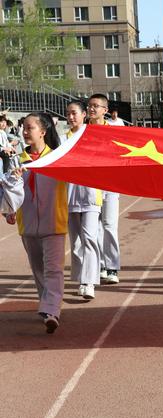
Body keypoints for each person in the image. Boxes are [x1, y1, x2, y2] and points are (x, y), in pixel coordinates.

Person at [12, 113, 67, 333]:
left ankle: (52, 310)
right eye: (24, 128)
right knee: (39, 270)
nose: (25, 132)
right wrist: (9, 208)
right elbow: (8, 190)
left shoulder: (58, 158)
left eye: (30, 128)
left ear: (43, 132)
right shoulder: (16, 159)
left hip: (53, 221)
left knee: (54, 269)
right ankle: (47, 306)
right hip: (27, 223)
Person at [63, 101, 102, 300]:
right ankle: (80, 279)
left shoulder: (93, 135)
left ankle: (89, 282)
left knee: (90, 238)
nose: (71, 117)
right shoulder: (63, 139)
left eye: (74, 113)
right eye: (68, 114)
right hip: (70, 196)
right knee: (76, 242)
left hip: (91, 194)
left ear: (84, 114)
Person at [88, 93, 121, 284]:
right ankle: (100, 264)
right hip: (91, 185)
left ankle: (112, 267)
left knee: (109, 225)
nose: (92, 109)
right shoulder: (82, 131)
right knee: (94, 227)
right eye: (90, 106)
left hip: (109, 184)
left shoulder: (114, 131)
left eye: (96, 106)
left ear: (105, 110)